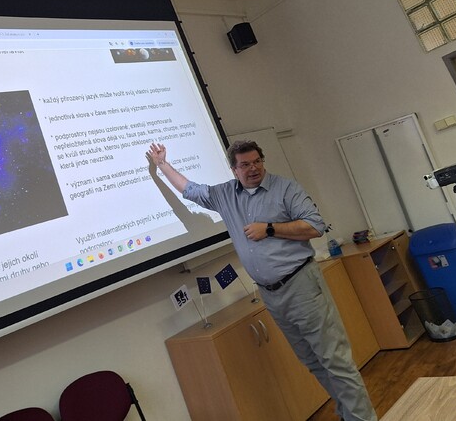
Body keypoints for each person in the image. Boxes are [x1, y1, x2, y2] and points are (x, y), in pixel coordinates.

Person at [147, 139, 377, 421]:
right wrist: (162, 164)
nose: (253, 168)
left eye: (257, 161)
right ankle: (350, 415)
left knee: (334, 360)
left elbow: (314, 225)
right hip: (271, 294)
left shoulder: (286, 189)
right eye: (245, 164)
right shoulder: (225, 195)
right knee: (312, 361)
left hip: (301, 285)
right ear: (234, 170)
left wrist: (269, 229)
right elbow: (189, 189)